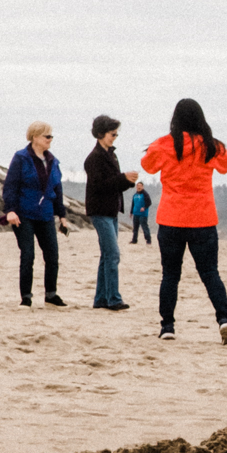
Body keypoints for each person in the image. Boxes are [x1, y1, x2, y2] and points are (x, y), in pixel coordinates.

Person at [140, 98, 227, 344]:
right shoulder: (211, 146)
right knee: (210, 273)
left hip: (171, 217)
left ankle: (167, 326)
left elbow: (147, 166)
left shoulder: (165, 144)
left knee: (170, 275)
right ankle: (224, 320)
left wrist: (158, 147)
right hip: (203, 218)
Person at [1, 121, 67, 307]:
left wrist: (62, 215)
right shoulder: (21, 158)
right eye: (47, 136)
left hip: (45, 214)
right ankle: (26, 298)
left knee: (52, 255)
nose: (50, 139)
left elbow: (57, 189)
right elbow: (10, 186)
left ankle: (51, 295)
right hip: (24, 214)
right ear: (35, 137)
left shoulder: (53, 161)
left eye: (52, 136)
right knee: (28, 255)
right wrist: (10, 210)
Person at [82, 115, 140, 311]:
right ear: (101, 133)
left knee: (107, 255)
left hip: (111, 210)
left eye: (116, 133)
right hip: (100, 211)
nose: (115, 136)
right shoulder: (94, 158)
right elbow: (99, 186)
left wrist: (127, 181)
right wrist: (122, 178)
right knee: (113, 254)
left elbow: (114, 185)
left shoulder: (111, 155)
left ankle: (101, 299)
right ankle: (113, 298)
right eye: (112, 133)